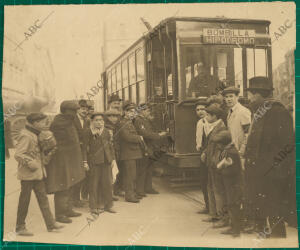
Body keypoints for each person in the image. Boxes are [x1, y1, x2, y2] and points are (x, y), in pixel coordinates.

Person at [244, 76, 295, 238]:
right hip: (261, 167)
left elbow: (288, 143)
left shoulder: (278, 111)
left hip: (274, 169)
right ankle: (266, 232)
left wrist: (276, 166)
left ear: (260, 94)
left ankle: (277, 236)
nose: (250, 98)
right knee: (263, 200)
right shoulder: (261, 111)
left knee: (275, 202)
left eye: (252, 94)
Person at [14, 113, 64, 236]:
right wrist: (30, 163)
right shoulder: (26, 135)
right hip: (27, 174)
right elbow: (18, 154)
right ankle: (20, 227)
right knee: (24, 200)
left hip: (38, 174)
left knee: (43, 199)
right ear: (35, 123)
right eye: (42, 122)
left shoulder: (36, 134)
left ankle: (50, 224)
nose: (44, 124)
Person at [45, 101, 86, 224]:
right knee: (62, 186)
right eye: (72, 111)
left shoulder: (69, 121)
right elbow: (58, 143)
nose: (75, 113)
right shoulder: (59, 123)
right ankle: (60, 214)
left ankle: (68, 210)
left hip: (70, 160)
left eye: (75, 111)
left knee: (70, 184)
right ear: (65, 111)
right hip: (61, 161)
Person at [83, 112, 117, 215]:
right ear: (92, 121)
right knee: (94, 184)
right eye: (97, 120)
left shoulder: (106, 131)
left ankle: (108, 205)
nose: (99, 122)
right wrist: (85, 161)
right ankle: (93, 206)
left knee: (107, 184)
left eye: (101, 120)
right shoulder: (88, 132)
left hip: (106, 161)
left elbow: (111, 146)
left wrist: (113, 159)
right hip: (94, 162)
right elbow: (84, 148)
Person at [201, 104, 227, 226]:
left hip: (215, 163)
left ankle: (221, 217)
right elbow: (210, 144)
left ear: (214, 116)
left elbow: (219, 145)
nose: (205, 117)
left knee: (218, 190)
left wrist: (213, 159)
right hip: (211, 162)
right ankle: (213, 214)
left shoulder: (221, 127)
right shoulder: (213, 126)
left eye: (207, 115)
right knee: (211, 188)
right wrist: (205, 152)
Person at [133, 103, 168, 196]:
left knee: (149, 168)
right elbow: (144, 134)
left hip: (149, 147)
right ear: (142, 111)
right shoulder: (138, 120)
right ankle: (140, 190)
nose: (149, 112)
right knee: (142, 169)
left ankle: (148, 188)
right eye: (147, 110)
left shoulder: (145, 120)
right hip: (143, 147)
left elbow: (149, 132)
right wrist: (158, 135)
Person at [216, 132, 243, 237]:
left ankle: (236, 230)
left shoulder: (231, 152)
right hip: (231, 183)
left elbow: (232, 170)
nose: (217, 146)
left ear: (223, 144)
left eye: (219, 144)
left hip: (233, 184)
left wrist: (221, 169)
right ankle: (234, 227)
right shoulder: (229, 150)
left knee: (233, 204)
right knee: (232, 204)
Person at [117, 101, 143, 203]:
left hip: (132, 153)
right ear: (125, 112)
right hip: (128, 153)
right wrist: (139, 138)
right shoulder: (123, 123)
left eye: (134, 111)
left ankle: (132, 193)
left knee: (132, 174)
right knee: (129, 175)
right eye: (130, 111)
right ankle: (129, 195)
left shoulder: (129, 122)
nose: (133, 113)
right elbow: (127, 137)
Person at [72, 99, 90, 206]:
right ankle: (73, 199)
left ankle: (78, 199)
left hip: (84, 150)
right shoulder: (73, 120)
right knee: (75, 175)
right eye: (82, 109)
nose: (84, 111)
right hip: (75, 150)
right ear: (77, 109)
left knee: (82, 175)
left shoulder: (87, 120)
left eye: (86, 109)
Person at [195, 98, 210, 214]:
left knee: (209, 181)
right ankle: (208, 206)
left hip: (209, 154)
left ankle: (213, 208)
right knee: (203, 180)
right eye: (198, 110)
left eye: (203, 109)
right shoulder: (199, 123)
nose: (200, 112)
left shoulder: (209, 122)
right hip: (202, 153)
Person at [104, 109, 122, 201]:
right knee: (109, 174)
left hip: (114, 151)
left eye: (116, 116)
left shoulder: (113, 126)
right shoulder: (107, 127)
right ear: (108, 117)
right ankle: (108, 195)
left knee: (112, 173)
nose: (115, 118)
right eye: (113, 116)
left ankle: (111, 193)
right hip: (109, 153)